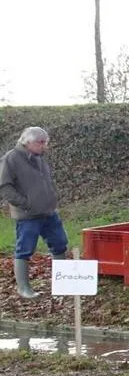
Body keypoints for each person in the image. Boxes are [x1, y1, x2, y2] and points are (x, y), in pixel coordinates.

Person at [0, 127, 69, 299]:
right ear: (27, 142)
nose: (44, 146)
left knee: (60, 244)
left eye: (45, 142)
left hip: (48, 212)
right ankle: (23, 288)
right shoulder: (11, 158)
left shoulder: (39, 158)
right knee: (25, 249)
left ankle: (63, 286)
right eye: (41, 142)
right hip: (28, 216)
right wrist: (26, 204)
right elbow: (5, 187)